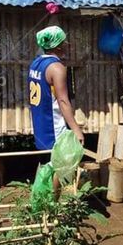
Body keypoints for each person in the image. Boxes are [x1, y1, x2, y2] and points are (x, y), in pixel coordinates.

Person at [28, 25, 85, 154]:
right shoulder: (56, 68)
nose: (67, 44)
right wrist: (76, 130)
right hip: (53, 126)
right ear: (58, 46)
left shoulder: (35, 64)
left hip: (40, 125)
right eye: (64, 41)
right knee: (58, 168)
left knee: (45, 166)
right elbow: (63, 101)